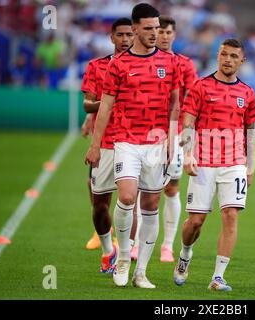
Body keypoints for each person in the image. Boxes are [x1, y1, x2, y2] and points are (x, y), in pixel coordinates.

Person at [85, 3, 180, 289]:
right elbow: (104, 109)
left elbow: (174, 105)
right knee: (126, 198)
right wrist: (95, 145)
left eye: (157, 28)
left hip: (157, 144)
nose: (155, 33)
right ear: (135, 28)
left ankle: (142, 272)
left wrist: (172, 141)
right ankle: (123, 258)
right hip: (125, 141)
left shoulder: (170, 63)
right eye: (149, 28)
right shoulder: (118, 65)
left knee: (150, 204)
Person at [173, 38, 255, 291]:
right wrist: (187, 154)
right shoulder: (201, 86)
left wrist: (250, 167)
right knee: (196, 221)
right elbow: (188, 122)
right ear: (218, 56)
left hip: (234, 163)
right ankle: (185, 254)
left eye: (234, 56)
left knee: (230, 216)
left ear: (242, 61)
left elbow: (250, 133)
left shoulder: (248, 93)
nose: (228, 60)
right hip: (204, 161)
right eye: (224, 55)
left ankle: (218, 277)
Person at [131, 15, 198, 263]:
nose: (165, 36)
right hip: (145, 135)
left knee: (171, 188)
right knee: (142, 189)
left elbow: (191, 100)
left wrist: (187, 136)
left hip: (175, 134)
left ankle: (167, 246)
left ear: (174, 35)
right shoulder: (140, 59)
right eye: (162, 32)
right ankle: (137, 243)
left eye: (170, 32)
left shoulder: (184, 64)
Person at [81, 17, 135, 273]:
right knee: (100, 204)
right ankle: (107, 250)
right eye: (120, 35)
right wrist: (111, 101)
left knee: (130, 200)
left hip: (135, 142)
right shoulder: (96, 66)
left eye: (129, 35)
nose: (125, 39)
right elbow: (87, 104)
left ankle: (126, 255)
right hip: (105, 144)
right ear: (111, 37)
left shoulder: (144, 68)